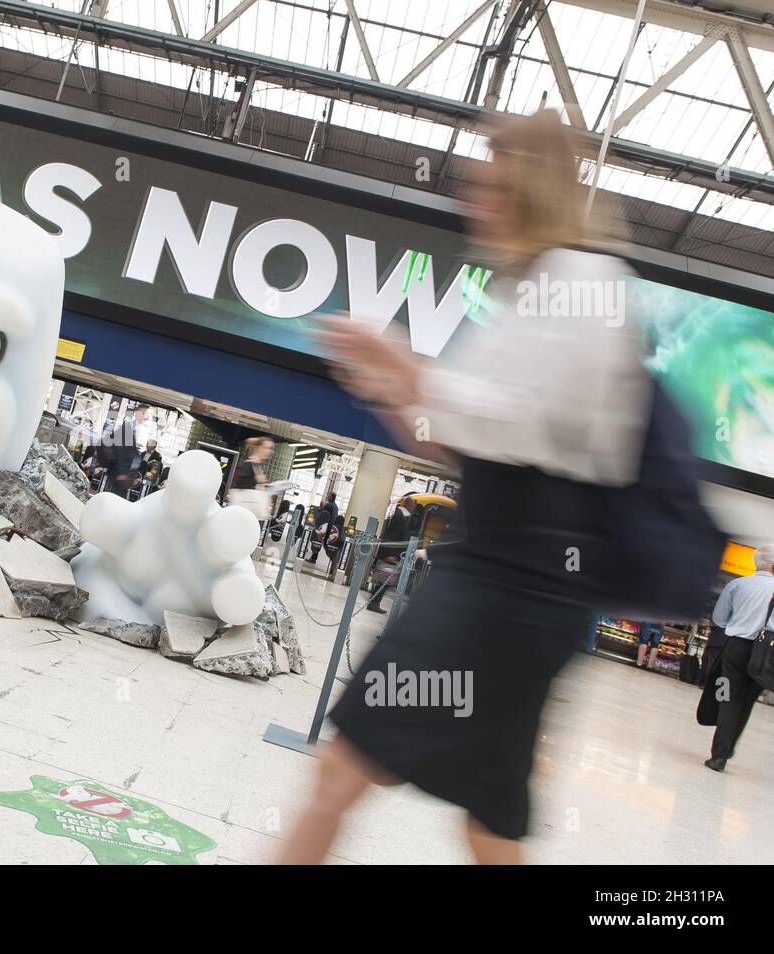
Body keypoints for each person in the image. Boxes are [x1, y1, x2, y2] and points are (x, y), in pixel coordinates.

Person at [280, 110, 652, 864]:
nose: (474, 205)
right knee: (488, 815)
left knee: (348, 764)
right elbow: (465, 443)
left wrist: (405, 362)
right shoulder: (530, 286)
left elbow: (524, 422)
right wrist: (385, 388)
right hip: (511, 579)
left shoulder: (586, 281)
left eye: (490, 189)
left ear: (528, 191)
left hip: (512, 582)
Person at [704, 543, 774, 773]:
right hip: (766, 653)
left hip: (735, 647)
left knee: (729, 699)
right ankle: (729, 748)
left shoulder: (737, 584)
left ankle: (719, 756)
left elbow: (719, 618)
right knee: (748, 700)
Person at [365, 495, 417, 613]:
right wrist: (391, 554)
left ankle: (374, 601)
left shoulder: (399, 515)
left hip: (391, 553)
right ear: (410, 506)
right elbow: (392, 537)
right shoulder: (399, 517)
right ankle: (374, 603)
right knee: (387, 580)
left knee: (385, 580)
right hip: (391, 554)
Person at [228, 436, 275, 520]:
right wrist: (259, 483)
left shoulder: (257, 466)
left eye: (271, 449)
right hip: (242, 516)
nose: (270, 451)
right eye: (268, 448)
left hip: (247, 516)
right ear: (259, 448)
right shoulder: (249, 465)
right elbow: (241, 485)